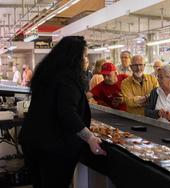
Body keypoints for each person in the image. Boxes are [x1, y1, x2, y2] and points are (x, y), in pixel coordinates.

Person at [18, 36, 106, 188]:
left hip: (33, 140)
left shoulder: (47, 73)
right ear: (74, 57)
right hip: (53, 146)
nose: (87, 60)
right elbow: (67, 113)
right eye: (84, 56)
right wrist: (90, 138)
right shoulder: (67, 78)